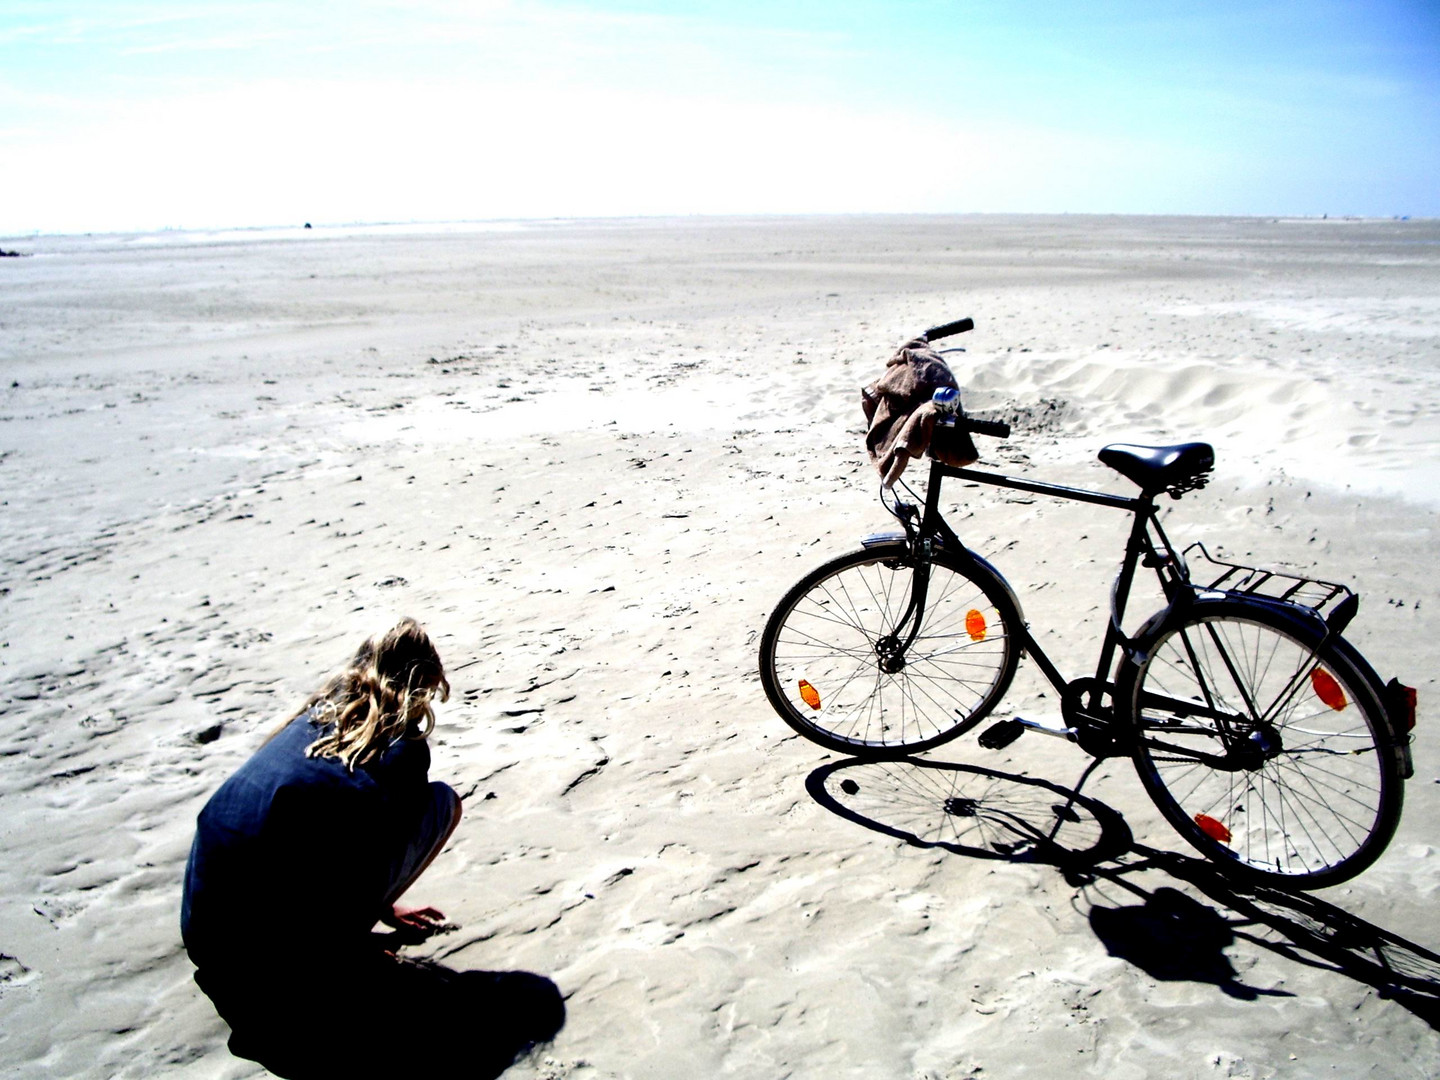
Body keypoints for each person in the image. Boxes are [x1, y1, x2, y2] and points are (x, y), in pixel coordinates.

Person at [181, 618, 563, 1077]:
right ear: (423, 683)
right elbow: (363, 844)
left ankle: (330, 951)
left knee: (314, 834)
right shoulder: (399, 746)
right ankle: (339, 961)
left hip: (211, 940)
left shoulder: (309, 722)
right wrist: (357, 928)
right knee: (442, 803)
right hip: (286, 966)